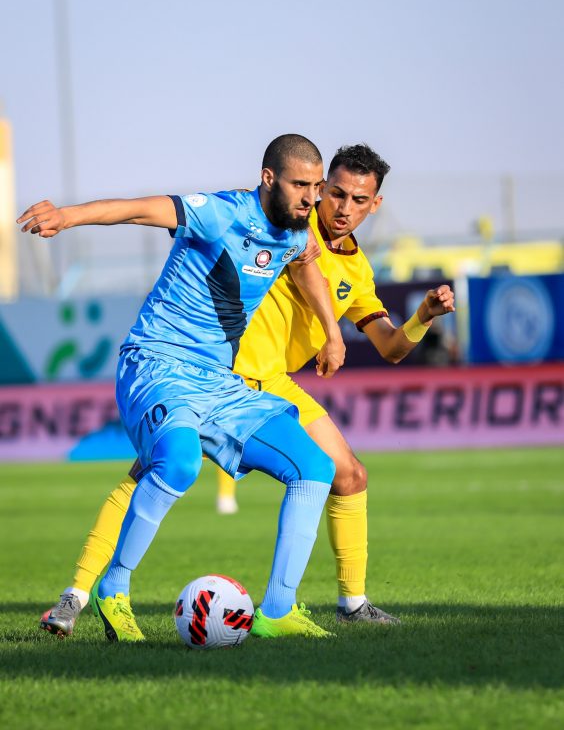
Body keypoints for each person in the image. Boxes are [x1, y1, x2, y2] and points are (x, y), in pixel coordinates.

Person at [38, 143, 455, 637]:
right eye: (326, 192)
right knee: (164, 468)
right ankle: (87, 593)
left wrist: (377, 324)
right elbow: (148, 208)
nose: (334, 205)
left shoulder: (328, 253)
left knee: (333, 471)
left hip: (252, 382)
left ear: (374, 205)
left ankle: (311, 607)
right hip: (189, 366)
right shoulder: (245, 214)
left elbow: (350, 309)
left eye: (350, 198)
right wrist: (67, 217)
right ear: (277, 180)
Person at [19, 133, 348, 642]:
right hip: (157, 363)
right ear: (268, 179)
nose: (312, 198)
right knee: (179, 463)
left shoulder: (296, 233)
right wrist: (67, 216)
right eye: (300, 185)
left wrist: (331, 331)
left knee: (315, 466)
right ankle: (113, 589)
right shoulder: (220, 213)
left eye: (317, 186)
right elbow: (137, 209)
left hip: (218, 381)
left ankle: (278, 611)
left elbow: (308, 268)